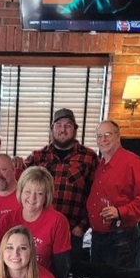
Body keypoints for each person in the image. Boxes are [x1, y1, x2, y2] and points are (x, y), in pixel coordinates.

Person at [23, 109, 98, 259]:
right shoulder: (38, 157)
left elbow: (96, 195)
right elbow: (19, 185)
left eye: (68, 125)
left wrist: (82, 226)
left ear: (75, 129)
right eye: (58, 125)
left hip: (72, 232)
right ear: (52, 129)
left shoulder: (89, 157)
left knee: (67, 276)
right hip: (40, 230)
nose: (62, 130)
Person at [0, 166, 71, 278]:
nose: (32, 198)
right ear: (20, 191)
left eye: (39, 193)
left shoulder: (57, 221)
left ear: (46, 196)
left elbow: (62, 266)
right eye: (27, 191)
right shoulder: (8, 219)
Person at [87, 119, 140, 269]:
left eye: (107, 135)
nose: (103, 140)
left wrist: (120, 211)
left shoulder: (131, 162)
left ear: (118, 136)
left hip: (120, 239)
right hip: (99, 238)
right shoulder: (101, 164)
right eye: (99, 136)